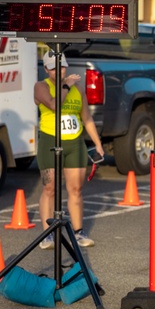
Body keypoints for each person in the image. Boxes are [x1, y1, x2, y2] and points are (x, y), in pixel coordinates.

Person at [34, 50, 105, 249]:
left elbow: (87, 118)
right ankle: (47, 234)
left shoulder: (78, 89)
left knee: (76, 189)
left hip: (74, 143)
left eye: (62, 66)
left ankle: (78, 231)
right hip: (50, 141)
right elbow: (54, 105)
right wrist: (66, 85)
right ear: (47, 69)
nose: (59, 70)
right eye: (54, 67)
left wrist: (97, 143)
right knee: (49, 188)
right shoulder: (41, 86)